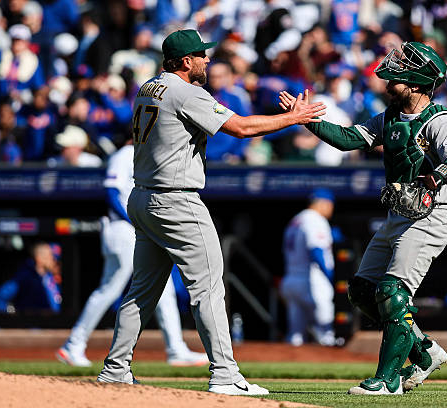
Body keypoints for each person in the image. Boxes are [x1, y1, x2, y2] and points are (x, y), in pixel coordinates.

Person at [96, 29, 325, 395]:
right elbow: (241, 127)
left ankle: (116, 368)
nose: (207, 60)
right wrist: (293, 119)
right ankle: (225, 374)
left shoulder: (147, 87)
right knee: (208, 287)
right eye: (202, 55)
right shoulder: (186, 91)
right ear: (186, 61)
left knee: (142, 290)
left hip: (143, 197)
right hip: (176, 199)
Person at [280, 41, 447, 395]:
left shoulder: (439, 120)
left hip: (429, 216)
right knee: (364, 291)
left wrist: (437, 176)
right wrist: (308, 120)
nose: (390, 75)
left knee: (393, 291)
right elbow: (348, 138)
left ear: (415, 81)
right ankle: (424, 352)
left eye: (401, 70)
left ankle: (388, 380)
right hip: (397, 215)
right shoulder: (390, 116)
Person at [56, 136, 209, 368]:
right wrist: (135, 219)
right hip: (123, 229)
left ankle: (176, 349)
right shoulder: (124, 155)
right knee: (110, 289)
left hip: (136, 230)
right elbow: (110, 192)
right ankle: (73, 344)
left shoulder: (139, 155)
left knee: (164, 289)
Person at [281, 188, 336, 347]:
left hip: (291, 279)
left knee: (295, 336)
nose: (331, 209)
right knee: (326, 334)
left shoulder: (296, 219)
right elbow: (316, 250)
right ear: (323, 204)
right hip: (312, 280)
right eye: (331, 205)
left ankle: (288, 367)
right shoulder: (315, 220)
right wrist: (330, 276)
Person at [0, 242, 61, 314]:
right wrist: (12, 315)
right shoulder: (24, 278)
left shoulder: (50, 277)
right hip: (32, 323)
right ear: (39, 258)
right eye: (50, 256)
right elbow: (0, 297)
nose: (53, 259)